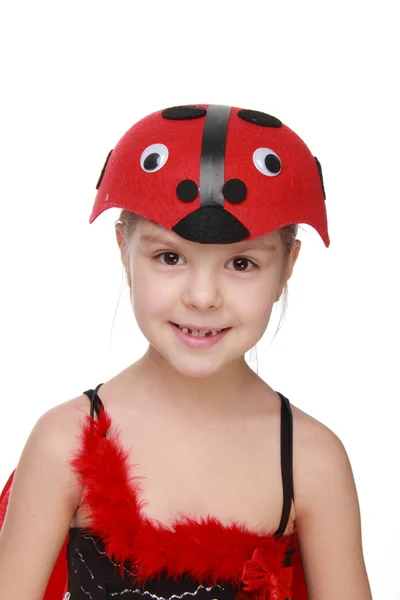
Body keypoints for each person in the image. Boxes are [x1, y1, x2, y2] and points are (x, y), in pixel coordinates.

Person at [0, 104, 372, 600]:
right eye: (169, 257)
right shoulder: (63, 443)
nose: (202, 296)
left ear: (287, 267)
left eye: (242, 263)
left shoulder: (312, 461)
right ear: (122, 249)